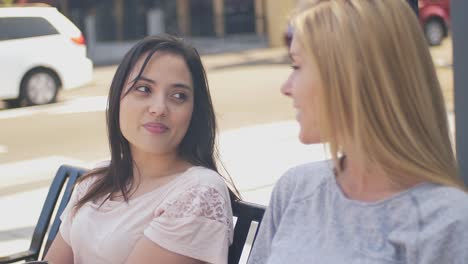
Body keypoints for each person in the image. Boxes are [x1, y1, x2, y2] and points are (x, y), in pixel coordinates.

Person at [248, 0, 468, 263]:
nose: (286, 87)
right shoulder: (295, 188)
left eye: (296, 66)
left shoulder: (447, 223)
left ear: (352, 77)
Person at [44, 35, 238, 264]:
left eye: (178, 96)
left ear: (194, 112)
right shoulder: (97, 180)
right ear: (117, 98)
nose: (159, 108)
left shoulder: (198, 192)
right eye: (144, 89)